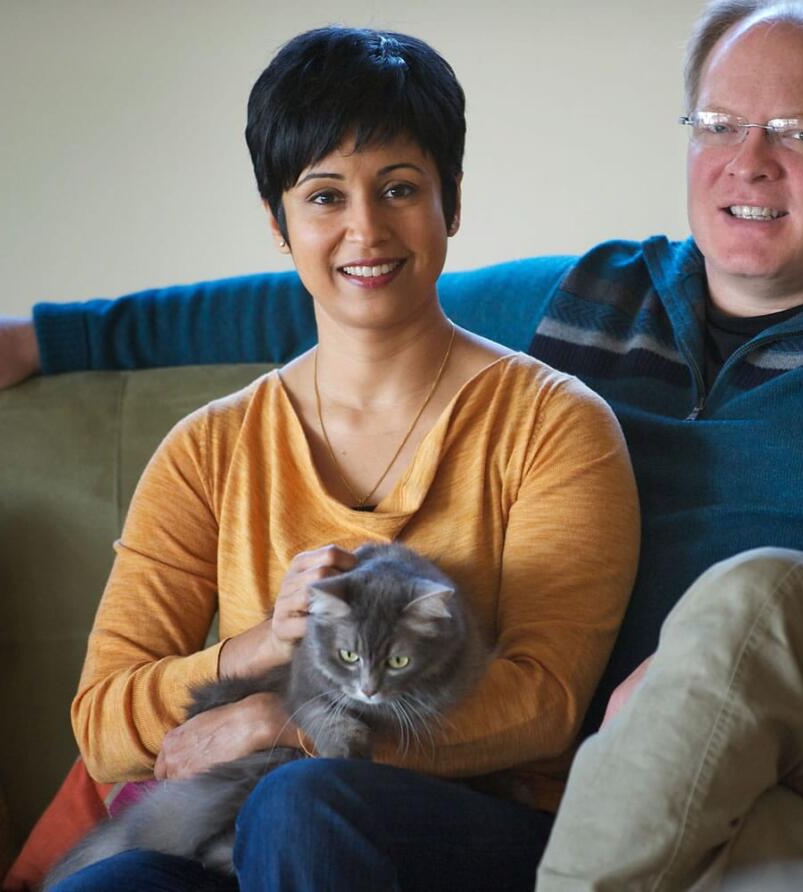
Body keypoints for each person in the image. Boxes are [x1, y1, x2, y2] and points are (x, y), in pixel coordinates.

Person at [0, 0, 803, 887]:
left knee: (754, 599)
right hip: (701, 772)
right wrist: (38, 335)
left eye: (798, 131)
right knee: (767, 851)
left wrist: (694, 673)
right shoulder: (600, 295)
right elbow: (333, 283)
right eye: (720, 122)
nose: (748, 161)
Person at [42, 26, 639, 891]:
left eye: (399, 188)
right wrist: (250, 653)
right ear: (279, 223)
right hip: (244, 832)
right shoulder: (209, 450)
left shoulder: (554, 425)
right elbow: (102, 723)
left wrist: (288, 727)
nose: (366, 229)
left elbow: (544, 707)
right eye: (324, 197)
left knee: (305, 802)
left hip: (474, 832)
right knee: (103, 884)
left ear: (452, 203)